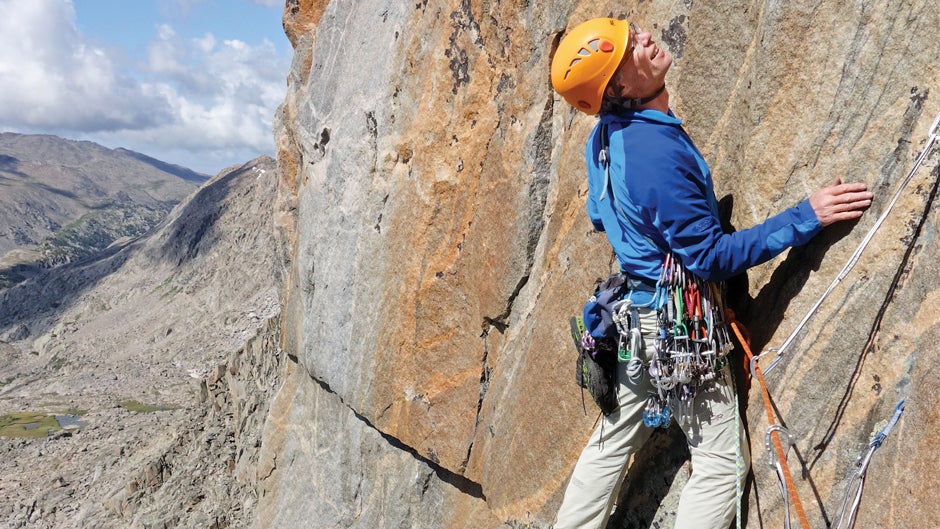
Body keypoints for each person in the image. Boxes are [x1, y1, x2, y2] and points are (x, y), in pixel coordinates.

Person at [549, 17, 873, 529]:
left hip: (635, 317)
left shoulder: (604, 141)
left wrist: (651, 232)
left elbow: (599, 213)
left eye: (633, 33)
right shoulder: (653, 152)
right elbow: (711, 258)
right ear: (620, 88)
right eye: (631, 48)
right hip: (679, 329)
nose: (646, 38)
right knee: (721, 467)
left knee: (612, 441)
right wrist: (805, 216)